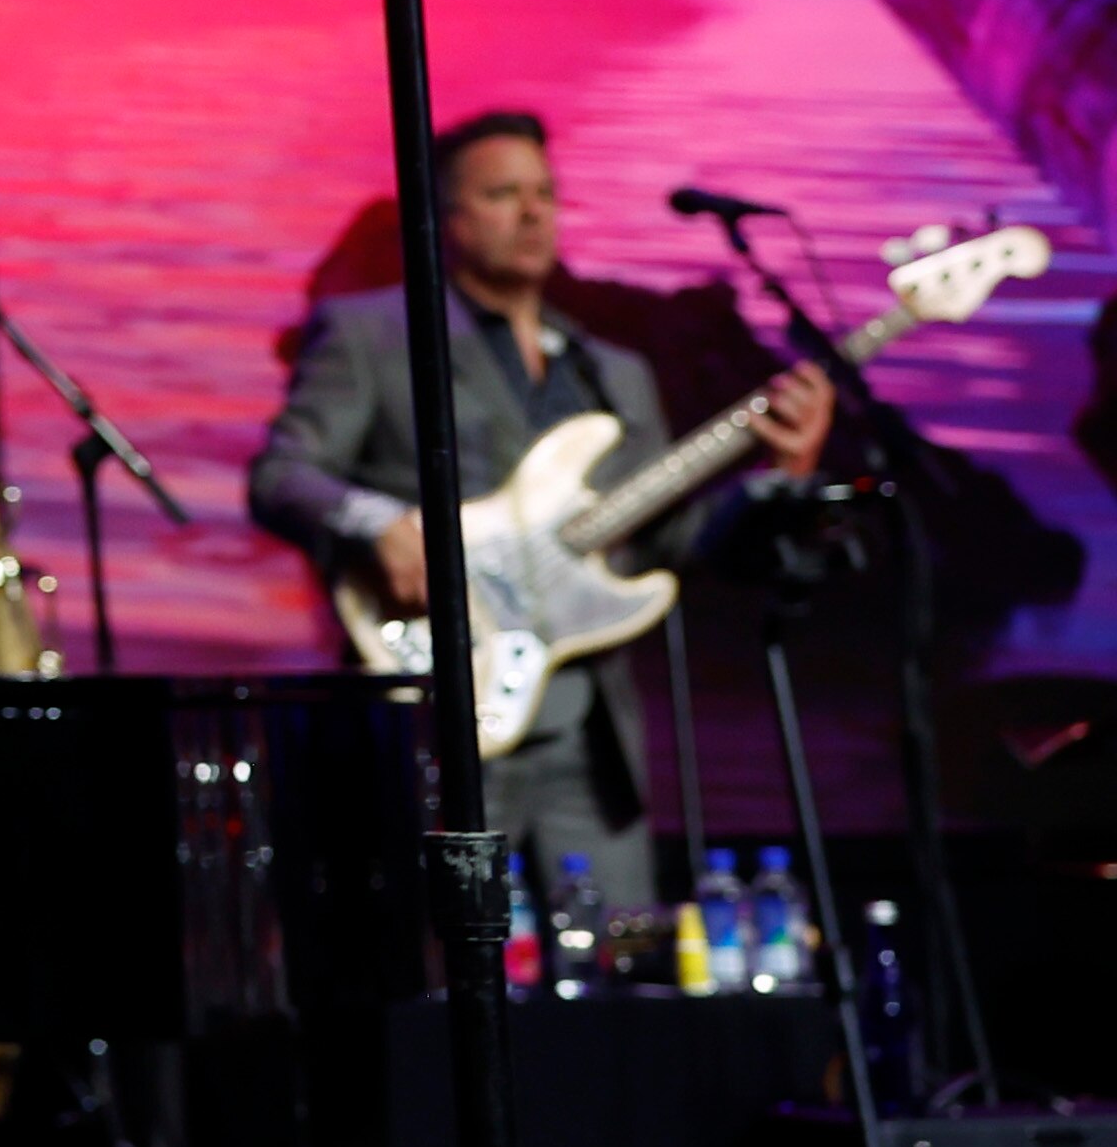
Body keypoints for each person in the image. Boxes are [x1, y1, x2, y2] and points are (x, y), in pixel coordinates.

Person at [254, 109, 831, 901]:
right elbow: (283, 475)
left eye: (546, 193)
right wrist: (379, 524)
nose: (533, 213)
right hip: (443, 721)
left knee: (611, 987)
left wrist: (785, 467)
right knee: (448, 973)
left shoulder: (613, 372)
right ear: (447, 219)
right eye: (503, 193)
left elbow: (680, 544)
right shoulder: (372, 335)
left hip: (592, 745)